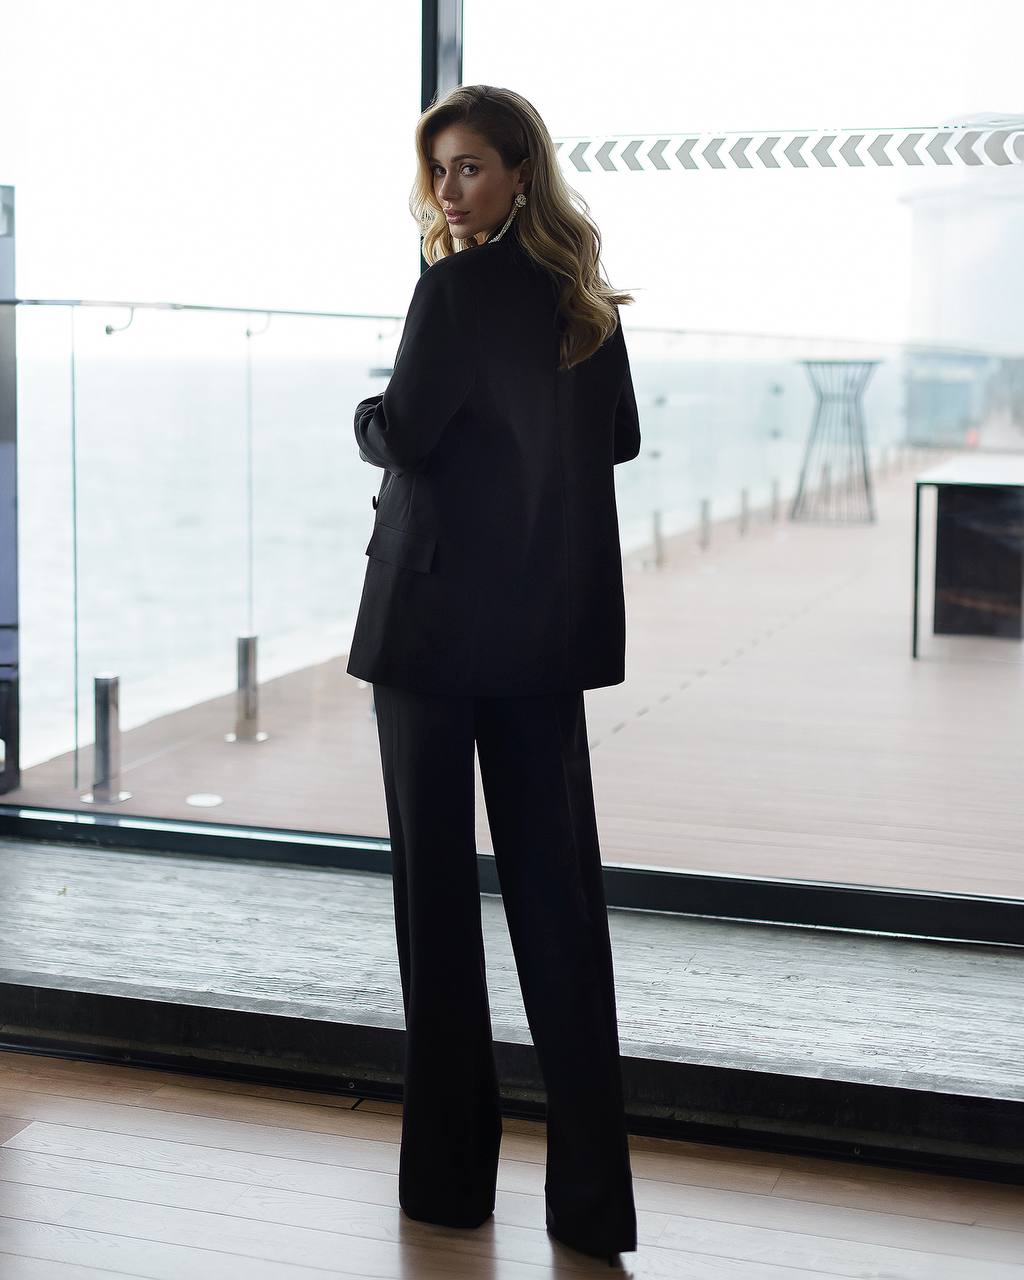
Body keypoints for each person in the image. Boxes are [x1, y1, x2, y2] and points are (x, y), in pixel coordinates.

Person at [346, 83, 642, 1265]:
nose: (450, 190)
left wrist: (366, 410)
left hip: (426, 628)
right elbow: (612, 438)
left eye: (470, 168)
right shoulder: (585, 301)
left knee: (436, 905)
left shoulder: (454, 286)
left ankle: (451, 1186)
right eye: (440, 171)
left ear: (521, 172)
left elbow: (405, 431)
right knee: (560, 906)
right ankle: (589, 1204)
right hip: (542, 632)